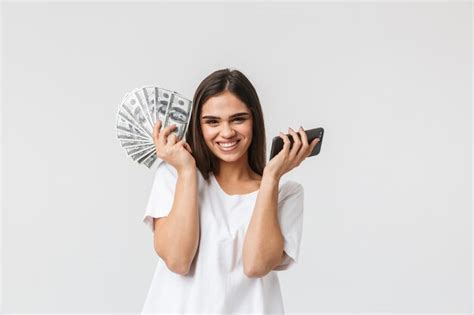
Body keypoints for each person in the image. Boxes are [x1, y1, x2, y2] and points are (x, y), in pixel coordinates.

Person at [141, 68, 319, 314]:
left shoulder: (284, 193)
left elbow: (256, 265)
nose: (226, 132)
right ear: (198, 126)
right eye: (212, 121)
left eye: (238, 119)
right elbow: (178, 260)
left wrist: (271, 177)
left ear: (254, 120)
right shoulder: (173, 176)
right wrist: (186, 171)